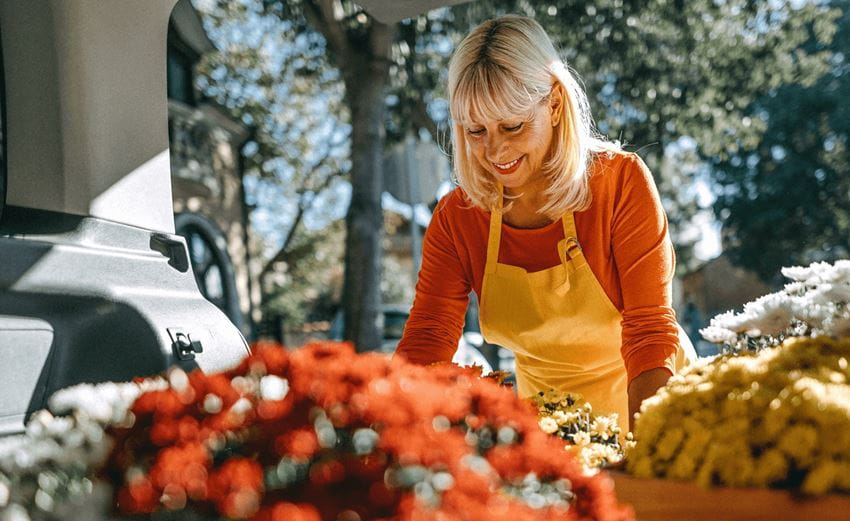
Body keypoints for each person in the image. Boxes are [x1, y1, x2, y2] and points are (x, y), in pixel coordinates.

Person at [395, 14, 696, 434]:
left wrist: (648, 450)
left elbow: (649, 333)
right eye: (476, 130)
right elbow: (428, 340)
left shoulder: (619, 182)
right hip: (548, 421)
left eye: (512, 125)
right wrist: (390, 423)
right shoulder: (457, 218)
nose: (495, 150)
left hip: (654, 400)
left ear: (554, 104)